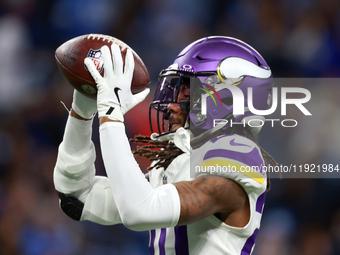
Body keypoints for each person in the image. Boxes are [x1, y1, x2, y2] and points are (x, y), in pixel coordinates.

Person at [53, 36, 277, 255]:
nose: (171, 104)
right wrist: (82, 112)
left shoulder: (238, 158)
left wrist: (111, 112)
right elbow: (78, 196)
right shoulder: (182, 159)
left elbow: (139, 211)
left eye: (187, 92)